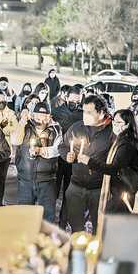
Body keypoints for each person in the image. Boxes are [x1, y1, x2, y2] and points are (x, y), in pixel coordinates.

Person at [59, 94, 113, 233]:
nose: (84, 115)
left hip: (98, 188)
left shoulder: (112, 131)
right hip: (76, 185)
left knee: (99, 227)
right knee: (76, 226)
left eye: (89, 112)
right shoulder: (77, 127)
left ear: (101, 113)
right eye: (83, 111)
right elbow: (63, 146)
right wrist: (67, 156)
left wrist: (92, 163)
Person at [77, 109, 138, 213]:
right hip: (119, 190)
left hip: (124, 192)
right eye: (114, 121)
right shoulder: (119, 139)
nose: (115, 125)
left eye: (119, 122)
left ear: (127, 125)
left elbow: (114, 169)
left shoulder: (127, 145)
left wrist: (89, 161)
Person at [11, 102, 62, 221]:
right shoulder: (25, 127)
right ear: (32, 115)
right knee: (24, 216)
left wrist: (41, 151)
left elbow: (58, 149)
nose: (40, 120)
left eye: (43, 117)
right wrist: (23, 120)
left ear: (49, 117)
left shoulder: (56, 129)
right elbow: (15, 140)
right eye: (37, 117)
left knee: (47, 216)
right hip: (25, 180)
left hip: (47, 181)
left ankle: (44, 238)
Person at [52, 85, 83, 226]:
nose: (75, 104)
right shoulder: (56, 112)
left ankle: (62, 224)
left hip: (73, 159)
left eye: (78, 101)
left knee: (68, 193)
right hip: (57, 158)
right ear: (66, 97)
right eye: (73, 100)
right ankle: (49, 220)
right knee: (53, 191)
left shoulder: (82, 115)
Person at [0, 92, 18, 206]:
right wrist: (3, 127)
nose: (1, 102)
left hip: (6, 148)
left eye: (3, 100)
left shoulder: (11, 113)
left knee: (2, 176)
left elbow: (15, 127)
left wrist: (2, 128)